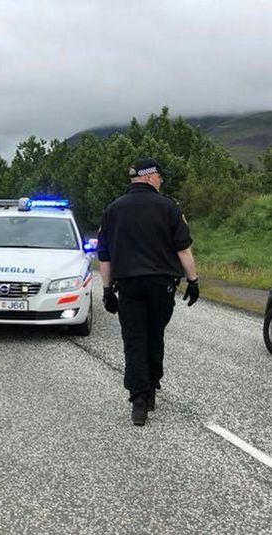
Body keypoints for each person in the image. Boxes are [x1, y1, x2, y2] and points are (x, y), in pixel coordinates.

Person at [97, 157, 199, 427]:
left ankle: (139, 399)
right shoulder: (169, 208)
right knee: (155, 335)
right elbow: (183, 250)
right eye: (159, 176)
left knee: (134, 339)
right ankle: (151, 386)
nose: (161, 180)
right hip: (161, 285)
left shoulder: (112, 210)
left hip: (128, 285)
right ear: (149, 176)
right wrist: (193, 280)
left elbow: (104, 256)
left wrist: (106, 289)